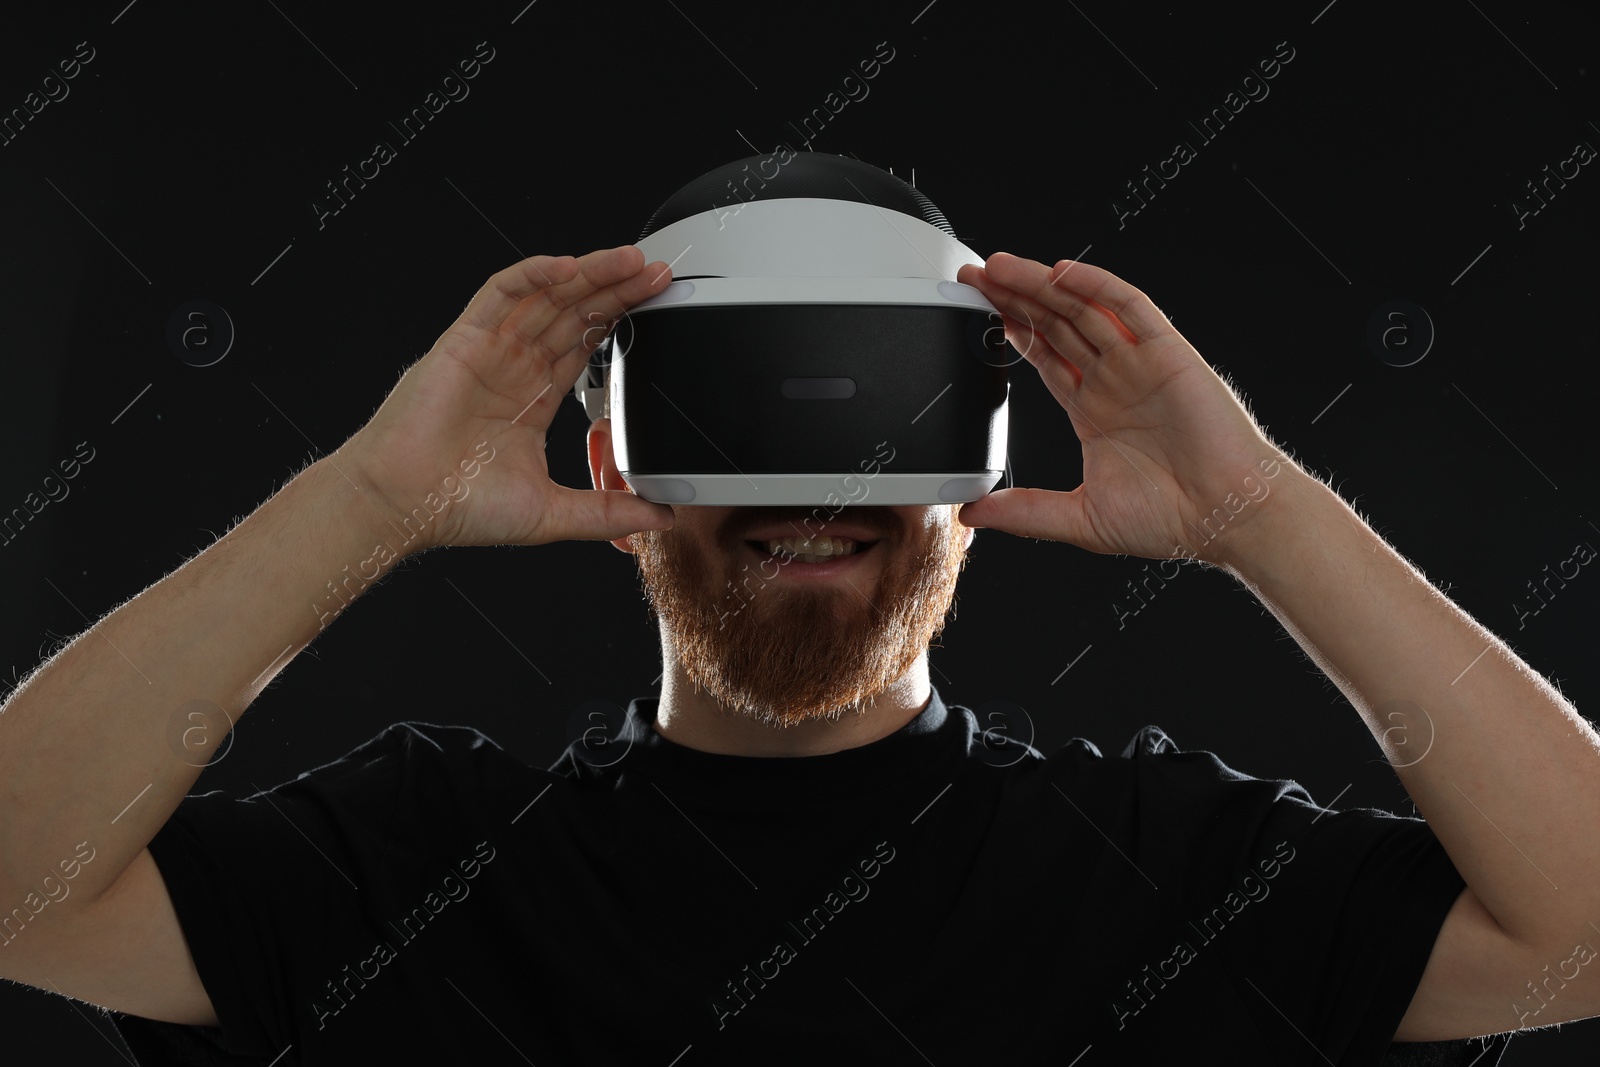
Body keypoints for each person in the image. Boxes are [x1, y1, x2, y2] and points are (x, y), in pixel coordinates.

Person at [0, 220, 1595, 1063]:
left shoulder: (1163, 877)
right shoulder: (427, 874)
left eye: (877, 414)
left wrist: (1252, 505)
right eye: (739, 412)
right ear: (618, 461)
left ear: (975, 464)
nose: (808, 490)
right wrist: (369, 501)